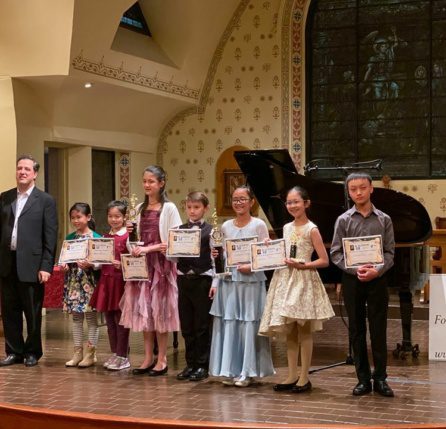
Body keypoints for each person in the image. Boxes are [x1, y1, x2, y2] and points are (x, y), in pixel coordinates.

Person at [259, 186, 334, 393]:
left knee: (304, 329)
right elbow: (284, 251)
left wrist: (304, 265)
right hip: (285, 279)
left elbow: (324, 260)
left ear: (306, 203)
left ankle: (304, 377)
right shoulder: (286, 227)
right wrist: (270, 245)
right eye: (289, 202)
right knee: (290, 330)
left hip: (303, 280)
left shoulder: (312, 229)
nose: (292, 206)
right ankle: (291, 375)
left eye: (296, 202)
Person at [330, 172, 395, 397]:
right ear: (349, 192)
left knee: (379, 330)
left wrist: (376, 271)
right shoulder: (343, 220)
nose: (358, 192)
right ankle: (363, 380)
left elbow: (390, 253)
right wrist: (353, 269)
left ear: (371, 189)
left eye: (362, 187)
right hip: (353, 280)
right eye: (353, 189)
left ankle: (381, 379)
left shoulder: (384, 219)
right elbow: (336, 252)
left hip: (377, 280)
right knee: (356, 330)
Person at [209, 185, 274, 387]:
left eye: (243, 199)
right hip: (229, 282)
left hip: (250, 282)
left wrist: (251, 266)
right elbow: (221, 258)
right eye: (235, 199)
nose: (239, 203)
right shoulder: (226, 227)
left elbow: (266, 256)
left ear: (251, 202)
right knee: (231, 324)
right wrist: (215, 275)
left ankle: (248, 371)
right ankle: (230, 369)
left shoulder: (259, 225)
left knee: (248, 324)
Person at [120, 165, 181, 376]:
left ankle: (162, 358)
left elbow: (173, 242)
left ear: (161, 183)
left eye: (151, 181)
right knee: (145, 311)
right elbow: (133, 242)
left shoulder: (169, 208)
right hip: (142, 267)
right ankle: (147, 357)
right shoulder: (139, 209)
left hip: (161, 266)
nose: (147, 185)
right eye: (144, 181)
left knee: (160, 312)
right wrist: (131, 238)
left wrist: (148, 248)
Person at [0, 155, 58, 367]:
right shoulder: (5, 197)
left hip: (32, 265)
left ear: (35, 174)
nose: (22, 172)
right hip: (7, 263)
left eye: (26, 169)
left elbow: (50, 236)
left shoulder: (45, 201)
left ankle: (32, 351)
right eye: (19, 168)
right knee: (9, 310)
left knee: (32, 312)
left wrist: (46, 266)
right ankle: (14, 351)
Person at [175, 191, 216, 382]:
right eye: (189, 207)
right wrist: (169, 248)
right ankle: (190, 363)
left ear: (205, 209)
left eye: (197, 207)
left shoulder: (212, 231)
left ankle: (202, 365)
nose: (192, 211)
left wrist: (215, 282)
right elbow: (173, 258)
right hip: (183, 280)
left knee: (201, 326)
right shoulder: (179, 229)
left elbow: (217, 261)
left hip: (202, 280)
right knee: (187, 325)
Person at [89, 200, 130, 371]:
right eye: (111, 216)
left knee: (120, 320)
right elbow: (99, 263)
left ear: (124, 217)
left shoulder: (128, 237)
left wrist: (122, 264)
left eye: (117, 216)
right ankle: (115, 353)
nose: (113, 220)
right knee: (109, 321)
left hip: (120, 283)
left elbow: (135, 261)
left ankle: (123, 355)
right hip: (106, 282)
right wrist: (91, 262)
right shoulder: (105, 238)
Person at [62, 203, 101, 368]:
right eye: (73, 218)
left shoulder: (96, 237)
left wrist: (92, 264)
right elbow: (63, 258)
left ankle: (91, 354)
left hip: (90, 282)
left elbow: (102, 261)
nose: (76, 220)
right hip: (74, 282)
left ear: (88, 217)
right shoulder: (70, 238)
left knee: (91, 319)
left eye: (79, 217)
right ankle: (77, 352)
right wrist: (64, 264)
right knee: (76, 318)